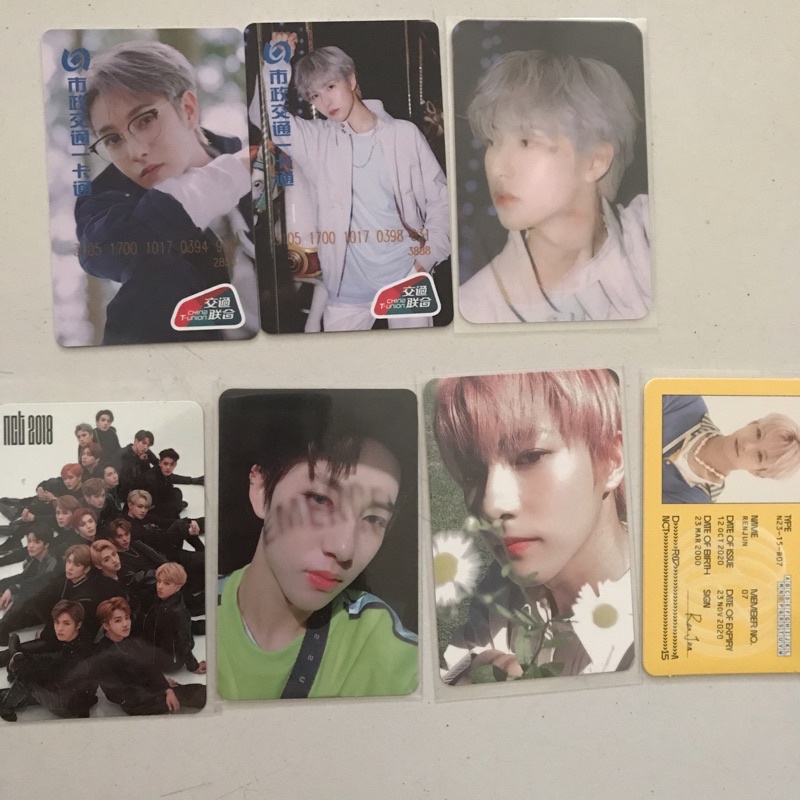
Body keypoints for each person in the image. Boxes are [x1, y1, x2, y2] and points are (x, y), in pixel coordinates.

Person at [433, 370, 633, 682]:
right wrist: (468, 678)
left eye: (529, 457)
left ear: (611, 458)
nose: (490, 504)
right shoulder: (503, 591)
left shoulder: (673, 634)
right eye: (473, 474)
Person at [217, 393, 418, 700]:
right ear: (261, 489)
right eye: (320, 500)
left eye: (374, 519)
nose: (344, 548)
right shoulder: (193, 612)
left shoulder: (387, 652)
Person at [255, 32, 450, 332]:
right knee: (342, 361)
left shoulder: (403, 134)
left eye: (330, 86)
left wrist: (425, 260)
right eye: (314, 96)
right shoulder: (316, 140)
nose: (325, 101)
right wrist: (276, 63)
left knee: (415, 356)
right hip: (346, 288)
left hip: (406, 276)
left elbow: (441, 200)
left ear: (351, 79)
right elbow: (269, 118)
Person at [76, 39, 254, 344]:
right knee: (155, 277)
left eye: (145, 120)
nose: (135, 152)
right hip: (184, 352)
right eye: (113, 140)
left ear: (188, 109)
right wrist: (224, 179)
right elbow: (105, 249)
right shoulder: (106, 200)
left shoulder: (259, 160)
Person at [458, 50, 650, 323]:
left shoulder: (651, 235)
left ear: (595, 160)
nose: (498, 167)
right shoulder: (476, 310)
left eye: (526, 142)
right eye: (492, 141)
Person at [661, 396, 800, 503]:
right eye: (758, 434)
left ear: (758, 473)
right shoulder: (686, 403)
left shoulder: (696, 503)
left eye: (759, 456)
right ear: (753, 423)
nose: (747, 445)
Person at [92, 597, 206, 715]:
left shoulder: (128, 640)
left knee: (194, 692)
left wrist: (165, 687)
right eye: (118, 620)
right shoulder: (103, 655)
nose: (125, 624)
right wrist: (157, 690)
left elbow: (149, 666)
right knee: (194, 695)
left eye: (127, 618)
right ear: (106, 625)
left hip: (149, 689)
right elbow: (113, 693)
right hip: (138, 703)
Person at [0, 600, 97, 722]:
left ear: (78, 625)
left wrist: (17, 658)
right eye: (57, 622)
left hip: (65, 704)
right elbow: (49, 639)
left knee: (26, 673)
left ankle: (6, 706)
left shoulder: (77, 655)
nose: (60, 628)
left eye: (66, 623)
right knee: (33, 663)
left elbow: (43, 671)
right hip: (74, 694)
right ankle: (9, 689)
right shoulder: (80, 635)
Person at [140, 563, 205, 674]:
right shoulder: (159, 600)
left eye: (166, 583)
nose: (159, 586)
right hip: (157, 650)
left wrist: (194, 666)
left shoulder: (178, 613)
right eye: (158, 581)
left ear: (178, 587)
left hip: (168, 661)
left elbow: (183, 643)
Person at [140, 448, 203, 519]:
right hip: (149, 507)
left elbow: (174, 478)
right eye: (165, 464)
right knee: (173, 504)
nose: (168, 467)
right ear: (160, 463)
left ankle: (178, 506)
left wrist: (193, 480)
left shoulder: (162, 471)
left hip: (160, 499)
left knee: (177, 492)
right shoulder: (151, 478)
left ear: (175, 465)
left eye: (171, 464)